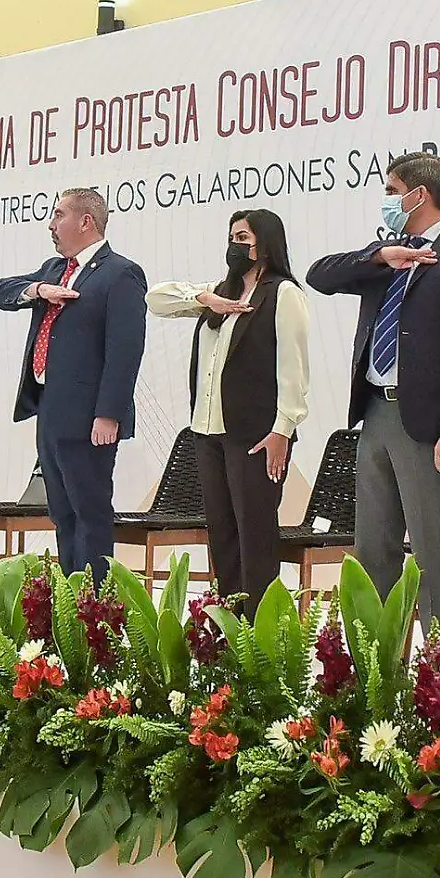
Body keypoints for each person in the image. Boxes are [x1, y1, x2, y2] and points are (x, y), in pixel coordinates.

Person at [306, 152, 440, 657]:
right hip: (375, 412)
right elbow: (319, 274)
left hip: (430, 425)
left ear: (420, 194)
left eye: (393, 190)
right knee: (374, 548)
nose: (388, 199)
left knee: (434, 554)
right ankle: (375, 666)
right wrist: (378, 257)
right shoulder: (386, 253)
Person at [147, 209, 311, 614]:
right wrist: (205, 298)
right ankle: (227, 631)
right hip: (207, 432)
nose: (234, 245)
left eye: (243, 237)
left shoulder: (282, 293)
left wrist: (283, 431)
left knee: (254, 535)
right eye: (231, 236)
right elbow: (156, 298)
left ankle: (260, 633)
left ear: (265, 243)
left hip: (256, 434)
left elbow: (294, 368)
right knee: (222, 534)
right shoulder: (221, 292)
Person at [0, 188, 147, 581]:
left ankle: (95, 605)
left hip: (90, 418)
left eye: (58, 214)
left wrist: (108, 414)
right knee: (61, 514)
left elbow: (125, 352)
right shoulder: (53, 269)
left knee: (89, 513)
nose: (51, 224)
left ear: (85, 221)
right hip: (50, 411)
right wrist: (38, 290)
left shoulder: (120, 273)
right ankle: (69, 603)